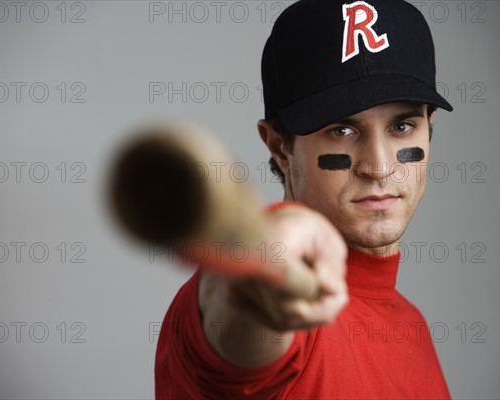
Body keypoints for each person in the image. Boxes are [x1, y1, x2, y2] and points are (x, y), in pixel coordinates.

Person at [156, 0, 453, 398]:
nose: (380, 166)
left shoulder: (411, 326)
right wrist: (256, 270)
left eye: (402, 126)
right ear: (279, 145)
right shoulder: (285, 297)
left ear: (429, 131)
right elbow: (242, 312)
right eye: (342, 130)